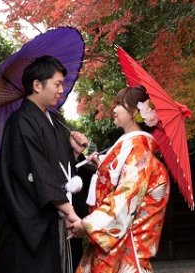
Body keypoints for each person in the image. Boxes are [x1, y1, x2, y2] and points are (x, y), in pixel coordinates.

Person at [0, 55, 91, 273]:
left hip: (54, 224)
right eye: (57, 84)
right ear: (37, 85)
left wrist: (73, 154)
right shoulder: (21, 122)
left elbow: (57, 169)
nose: (61, 89)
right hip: (30, 228)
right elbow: (37, 171)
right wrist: (70, 212)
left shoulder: (52, 122)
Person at [69, 86, 170, 273]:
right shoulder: (133, 153)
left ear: (133, 113)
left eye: (119, 105)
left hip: (125, 253)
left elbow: (123, 202)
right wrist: (100, 166)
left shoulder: (140, 156)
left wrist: (86, 225)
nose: (114, 110)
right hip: (115, 249)